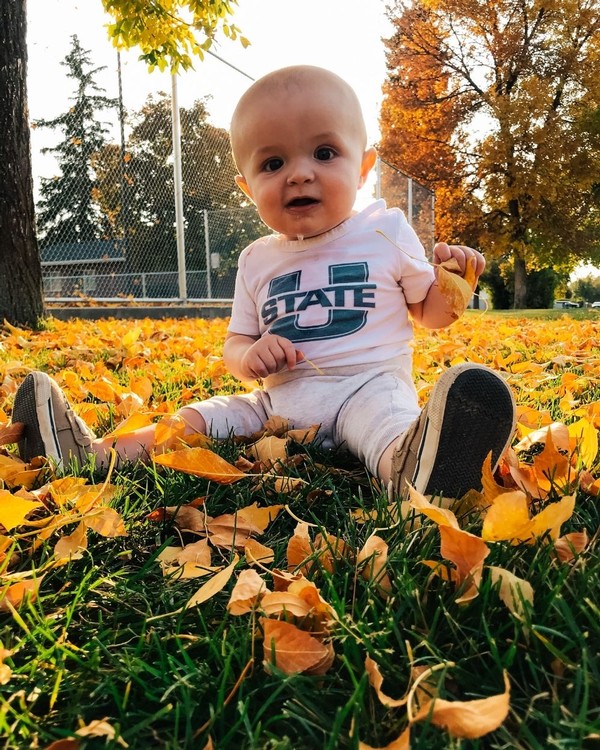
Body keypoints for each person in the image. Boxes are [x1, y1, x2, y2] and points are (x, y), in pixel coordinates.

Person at [12, 65, 516, 499]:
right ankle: (91, 456)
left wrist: (454, 283)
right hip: (275, 407)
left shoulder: (385, 229)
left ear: (363, 167)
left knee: (386, 427)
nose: (298, 174)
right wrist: (249, 358)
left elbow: (428, 315)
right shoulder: (256, 260)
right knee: (198, 419)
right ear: (247, 185)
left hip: (368, 388)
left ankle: (417, 472)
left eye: (324, 153)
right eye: (273, 163)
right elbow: (236, 342)